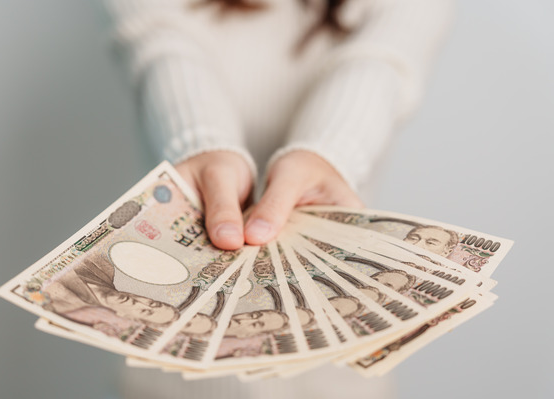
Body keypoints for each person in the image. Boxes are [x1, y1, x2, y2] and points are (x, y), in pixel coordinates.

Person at [104, 0, 454, 397]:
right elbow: (165, 51)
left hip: (333, 365)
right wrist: (202, 147)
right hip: (171, 365)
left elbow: (377, 66)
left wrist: (326, 157)